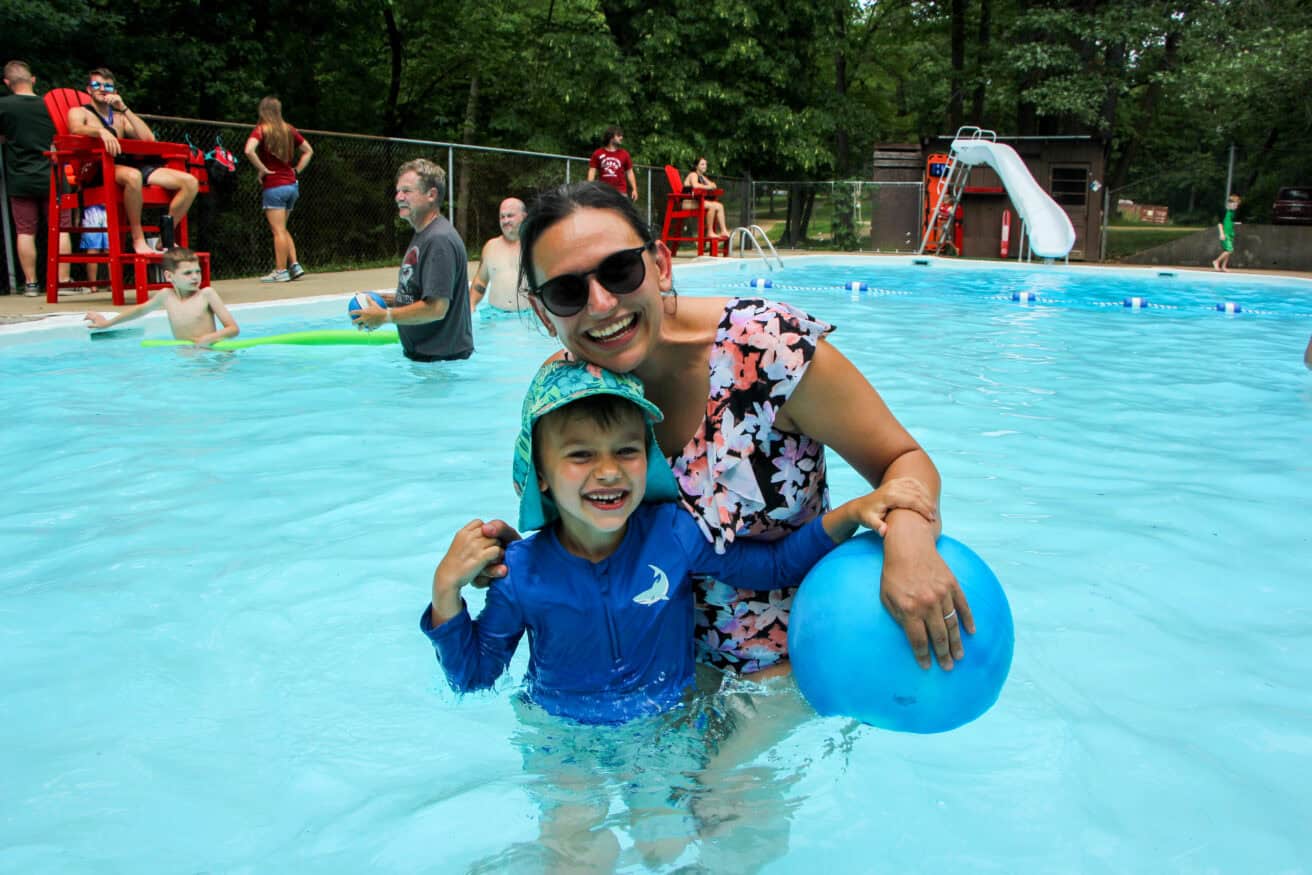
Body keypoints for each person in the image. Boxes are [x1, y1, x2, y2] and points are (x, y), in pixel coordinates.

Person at [510, 183, 971, 681]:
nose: (601, 304)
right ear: (542, 311)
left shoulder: (768, 351)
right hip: (651, 679)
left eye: (620, 270)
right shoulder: (565, 398)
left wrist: (909, 541)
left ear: (661, 265)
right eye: (566, 291)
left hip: (788, 673)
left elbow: (901, 458)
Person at [421, 359, 933, 724]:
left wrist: (850, 515)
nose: (607, 472)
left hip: (667, 724)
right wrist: (446, 596)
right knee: (572, 853)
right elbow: (475, 677)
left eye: (626, 450)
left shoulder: (673, 533)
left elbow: (774, 567)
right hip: (562, 737)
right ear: (542, 476)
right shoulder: (522, 573)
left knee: (666, 841)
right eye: (580, 455)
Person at [66, 68, 199, 256]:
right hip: (98, 169)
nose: (102, 89)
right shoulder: (80, 112)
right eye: (97, 85)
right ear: (89, 89)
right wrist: (100, 132)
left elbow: (148, 139)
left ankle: (165, 238)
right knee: (133, 176)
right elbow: (75, 127)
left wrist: (125, 108)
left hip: (128, 165)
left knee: (189, 182)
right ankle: (138, 239)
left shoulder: (119, 117)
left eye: (108, 86)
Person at [350, 159, 473, 362]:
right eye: (398, 191)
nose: (399, 197)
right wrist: (385, 299)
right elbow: (421, 293)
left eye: (407, 191)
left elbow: (436, 308)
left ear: (431, 195)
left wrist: (385, 316)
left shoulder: (439, 239)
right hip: (427, 359)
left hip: (441, 363)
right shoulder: (423, 234)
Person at [0, 59, 73, 296]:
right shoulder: (51, 105)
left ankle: (31, 284)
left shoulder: (4, 106)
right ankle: (63, 282)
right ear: (33, 80)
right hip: (53, 174)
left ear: (7, 83)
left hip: (20, 177)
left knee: (25, 231)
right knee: (61, 229)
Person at [83, 247, 238, 346]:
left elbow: (233, 329)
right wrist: (107, 323)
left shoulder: (206, 294)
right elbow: (140, 311)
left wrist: (209, 338)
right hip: (187, 356)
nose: (195, 277)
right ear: (169, 276)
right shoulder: (166, 296)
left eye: (197, 271)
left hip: (213, 355)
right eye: (187, 273)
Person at [243, 96, 312, 283]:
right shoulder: (288, 129)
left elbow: (249, 150)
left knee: (278, 231)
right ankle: (294, 265)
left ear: (263, 111)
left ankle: (280, 271)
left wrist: (262, 169)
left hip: (274, 186)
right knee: (283, 228)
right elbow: (308, 150)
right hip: (291, 185)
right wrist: (296, 169)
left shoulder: (262, 130)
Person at [469, 197, 527, 312]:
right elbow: (480, 281)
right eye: (502, 217)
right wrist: (471, 304)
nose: (505, 221)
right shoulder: (491, 247)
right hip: (496, 316)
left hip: (527, 318)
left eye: (510, 216)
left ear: (524, 217)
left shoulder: (535, 247)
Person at [586, 126, 638, 203]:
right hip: (603, 191)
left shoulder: (624, 154)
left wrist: (634, 189)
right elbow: (592, 171)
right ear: (611, 137)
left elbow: (630, 172)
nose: (621, 137)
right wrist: (589, 187)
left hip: (620, 192)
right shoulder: (598, 153)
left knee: (621, 214)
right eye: (618, 135)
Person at [683, 156, 731, 239]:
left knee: (719, 206)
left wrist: (710, 185)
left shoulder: (702, 177)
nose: (705, 166)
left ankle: (724, 230)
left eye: (705, 164)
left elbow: (713, 185)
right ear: (696, 166)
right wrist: (708, 186)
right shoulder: (693, 174)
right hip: (687, 203)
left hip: (696, 202)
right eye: (702, 164)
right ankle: (710, 232)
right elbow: (695, 185)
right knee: (712, 206)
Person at [1212, 193, 1241, 272]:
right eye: (1235, 205)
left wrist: (1235, 223)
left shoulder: (1233, 212)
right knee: (1229, 250)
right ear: (1231, 203)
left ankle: (1224, 266)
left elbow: (1229, 222)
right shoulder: (1224, 211)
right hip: (1225, 233)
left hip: (1231, 233)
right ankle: (1216, 261)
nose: (1236, 206)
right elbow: (1220, 223)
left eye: (1237, 205)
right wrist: (1221, 233)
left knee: (1228, 251)